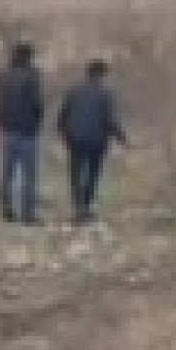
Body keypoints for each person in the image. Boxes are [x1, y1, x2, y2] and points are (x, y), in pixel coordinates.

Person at [57, 58, 128, 225]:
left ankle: (78, 207)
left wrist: (64, 134)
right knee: (93, 173)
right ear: (102, 74)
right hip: (97, 140)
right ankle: (86, 207)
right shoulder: (106, 94)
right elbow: (109, 120)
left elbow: (63, 114)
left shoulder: (73, 90)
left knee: (76, 172)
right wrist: (121, 137)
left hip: (75, 138)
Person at [0, 41, 45, 225]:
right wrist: (38, 121)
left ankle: (6, 209)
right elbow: (37, 103)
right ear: (28, 57)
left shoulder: (3, 75)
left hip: (7, 129)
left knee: (7, 172)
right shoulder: (32, 75)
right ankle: (27, 213)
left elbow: (1, 101)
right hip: (27, 129)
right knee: (28, 174)